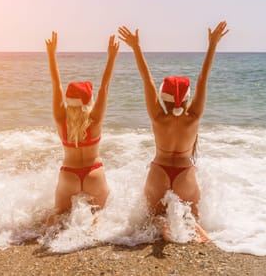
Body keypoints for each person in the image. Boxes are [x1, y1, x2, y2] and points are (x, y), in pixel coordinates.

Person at [118, 21, 229, 242]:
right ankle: (195, 231)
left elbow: (146, 79)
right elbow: (202, 79)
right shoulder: (193, 117)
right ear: (187, 98)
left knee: (153, 216)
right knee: (192, 217)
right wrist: (212, 45)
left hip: (159, 171)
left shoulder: (158, 117)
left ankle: (163, 225)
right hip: (185, 174)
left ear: (162, 97)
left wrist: (136, 48)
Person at [44, 31, 119, 233]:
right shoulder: (94, 121)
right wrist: (111, 57)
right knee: (100, 214)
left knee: (58, 213)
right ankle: (91, 238)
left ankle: (49, 240)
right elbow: (105, 87)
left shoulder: (61, 120)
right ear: (89, 101)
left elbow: (56, 85)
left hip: (69, 174)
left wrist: (51, 54)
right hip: (94, 173)